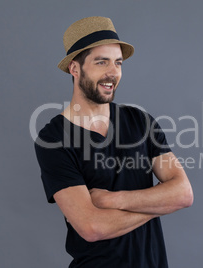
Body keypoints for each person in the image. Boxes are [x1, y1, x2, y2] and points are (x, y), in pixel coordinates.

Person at [34, 16, 193, 267]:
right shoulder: (53, 138)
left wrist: (113, 200)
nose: (113, 72)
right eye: (101, 62)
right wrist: (159, 203)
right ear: (75, 69)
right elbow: (91, 227)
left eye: (118, 63)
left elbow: (183, 194)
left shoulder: (141, 122)